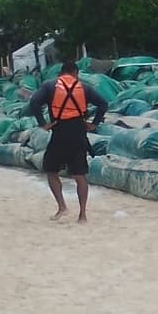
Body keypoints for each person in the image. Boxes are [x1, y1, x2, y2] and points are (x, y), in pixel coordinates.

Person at [27, 62, 108, 223]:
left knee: (51, 170)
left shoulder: (49, 86)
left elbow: (34, 103)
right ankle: (82, 215)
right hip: (78, 132)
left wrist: (43, 123)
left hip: (59, 132)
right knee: (80, 174)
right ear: (75, 73)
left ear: (61, 73)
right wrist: (94, 123)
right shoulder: (84, 87)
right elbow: (103, 104)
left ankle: (62, 207)